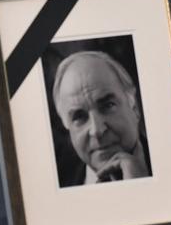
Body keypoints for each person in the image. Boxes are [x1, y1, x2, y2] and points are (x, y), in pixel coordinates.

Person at [52, 50, 151, 185]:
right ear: (67, 125)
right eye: (79, 116)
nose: (97, 130)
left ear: (135, 108)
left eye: (108, 106)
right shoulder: (58, 183)